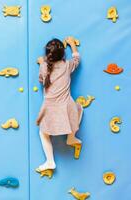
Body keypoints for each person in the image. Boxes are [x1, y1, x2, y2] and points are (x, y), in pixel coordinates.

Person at [36, 37, 83, 172]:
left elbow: (41, 80)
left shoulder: (44, 66)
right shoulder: (67, 65)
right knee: (79, 109)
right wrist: (73, 45)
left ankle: (50, 161)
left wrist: (41, 63)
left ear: (47, 55)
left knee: (43, 133)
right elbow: (76, 60)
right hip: (67, 107)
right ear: (63, 54)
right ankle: (71, 137)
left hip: (50, 108)